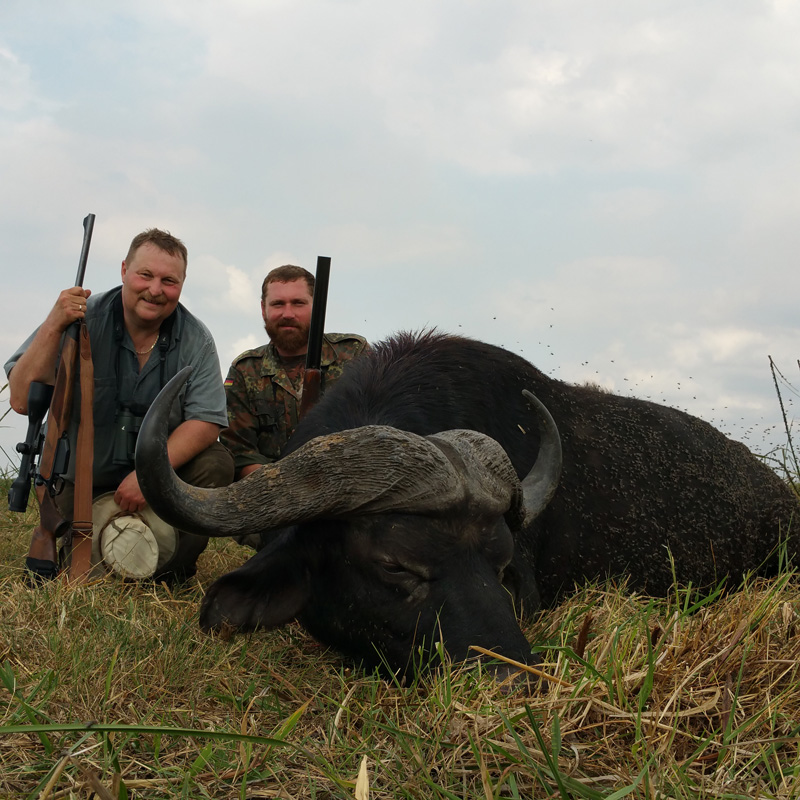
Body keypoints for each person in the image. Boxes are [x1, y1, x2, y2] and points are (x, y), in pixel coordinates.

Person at [5, 228, 234, 582]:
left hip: (155, 485)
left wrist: (148, 475)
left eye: (169, 281)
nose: (155, 290)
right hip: (80, 483)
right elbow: (21, 399)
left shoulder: (196, 338)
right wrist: (54, 323)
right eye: (145, 275)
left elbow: (206, 421)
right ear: (124, 270)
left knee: (215, 463)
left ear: (182, 285)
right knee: (81, 572)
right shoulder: (76, 320)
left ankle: (171, 568)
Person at [220, 264, 368, 483]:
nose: (288, 314)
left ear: (316, 307)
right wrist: (287, 487)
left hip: (346, 483)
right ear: (263, 309)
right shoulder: (245, 369)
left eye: (298, 303)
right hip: (272, 491)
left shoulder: (355, 353)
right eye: (278, 304)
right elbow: (239, 451)